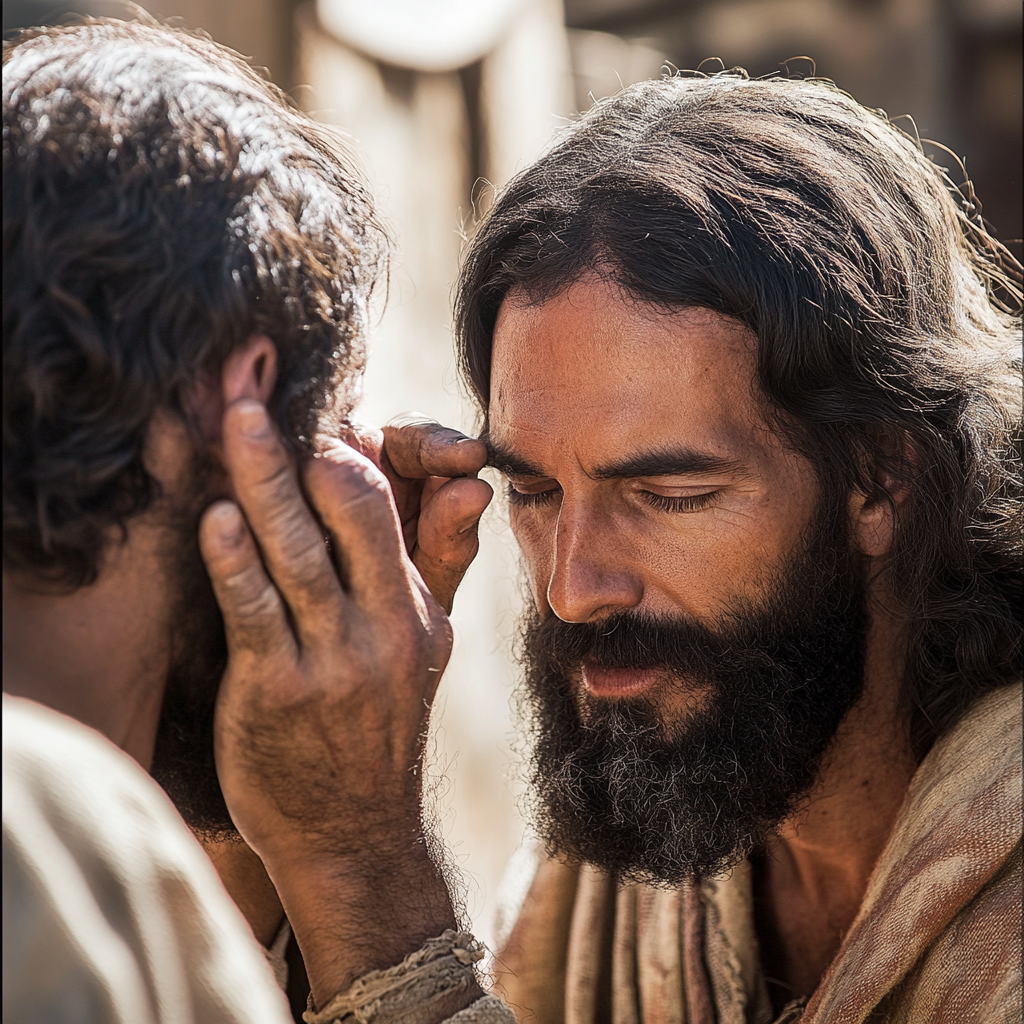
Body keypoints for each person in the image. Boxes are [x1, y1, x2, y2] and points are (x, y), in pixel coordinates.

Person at [450, 74, 1022, 1021]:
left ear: (882, 477)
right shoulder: (654, 837)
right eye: (535, 491)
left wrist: (372, 892)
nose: (572, 587)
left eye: (670, 495)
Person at [3, 16, 510, 1024]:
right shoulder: (48, 825)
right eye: (329, 411)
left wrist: (261, 824)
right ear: (242, 387)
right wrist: (361, 859)